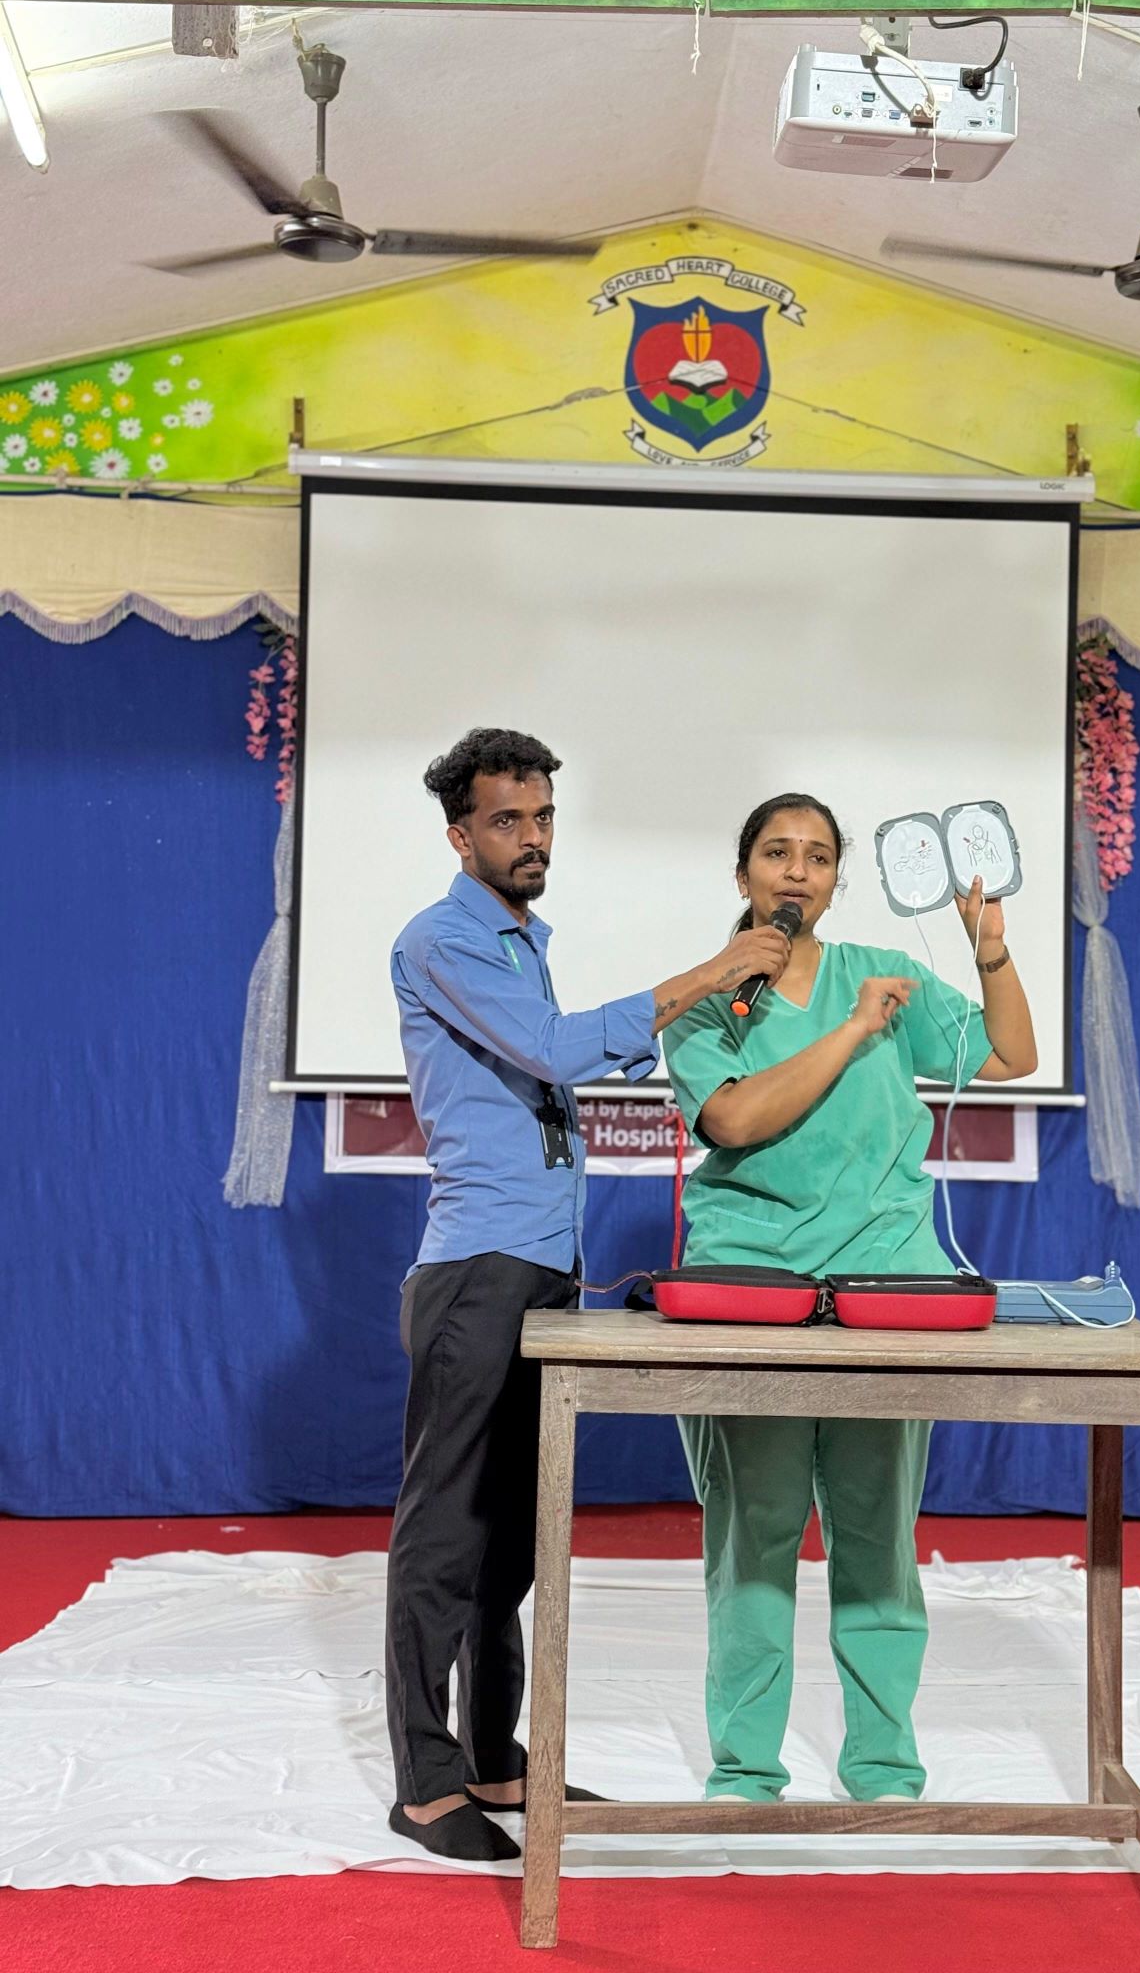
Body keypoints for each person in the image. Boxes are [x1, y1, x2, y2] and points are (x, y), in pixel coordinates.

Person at [385, 728, 791, 1860]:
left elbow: (555, 1063)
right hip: (476, 1272)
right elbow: (553, 1052)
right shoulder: (440, 940)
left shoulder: (523, 942)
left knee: (508, 1537)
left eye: (544, 817)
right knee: (443, 1536)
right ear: (460, 836)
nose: (532, 839)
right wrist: (710, 971)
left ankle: (494, 1761)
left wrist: (709, 1010)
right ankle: (424, 1785)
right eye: (506, 821)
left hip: (542, 1271)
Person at [663, 792, 1036, 1804]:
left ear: (835, 880)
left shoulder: (888, 974)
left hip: (886, 1286)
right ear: (742, 874)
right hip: (754, 1289)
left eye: (818, 856)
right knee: (753, 1541)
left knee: (878, 1539)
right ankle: (746, 1769)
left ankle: (883, 1763)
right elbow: (735, 1120)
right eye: (776, 853)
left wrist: (990, 952)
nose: (797, 871)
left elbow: (1011, 1055)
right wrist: (857, 1029)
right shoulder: (706, 1001)